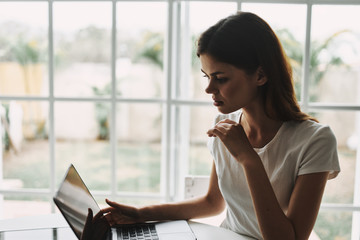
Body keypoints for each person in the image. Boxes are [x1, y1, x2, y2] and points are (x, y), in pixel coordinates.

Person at [96, 11, 340, 240]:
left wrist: (249, 159)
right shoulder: (225, 126)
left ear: (260, 76)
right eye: (206, 76)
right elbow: (213, 203)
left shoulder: (315, 141)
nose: (209, 89)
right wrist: (141, 214)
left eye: (220, 78)